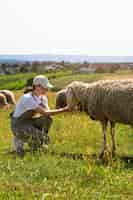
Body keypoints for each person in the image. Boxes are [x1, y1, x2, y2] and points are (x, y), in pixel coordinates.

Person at [10, 75, 69, 157]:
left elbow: (47, 113)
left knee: (48, 119)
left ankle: (35, 143)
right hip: (18, 125)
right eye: (45, 87)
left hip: (29, 122)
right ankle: (20, 138)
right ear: (37, 86)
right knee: (45, 138)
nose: (47, 89)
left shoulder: (43, 98)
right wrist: (65, 109)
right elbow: (45, 112)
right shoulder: (27, 98)